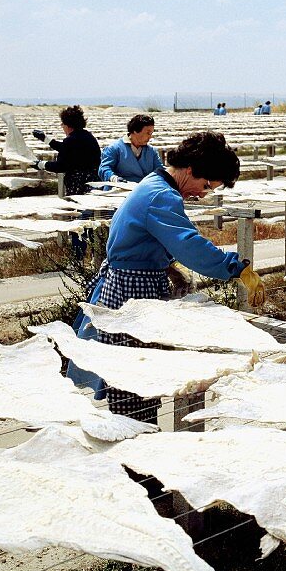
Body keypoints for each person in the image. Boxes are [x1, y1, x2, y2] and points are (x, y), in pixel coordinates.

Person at [70, 131, 267, 423]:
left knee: (141, 383)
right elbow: (189, 245)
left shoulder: (154, 184)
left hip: (129, 287)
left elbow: (144, 242)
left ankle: (138, 451)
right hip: (131, 296)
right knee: (134, 383)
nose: (203, 193)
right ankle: (136, 458)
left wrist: (169, 269)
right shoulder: (162, 196)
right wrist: (235, 268)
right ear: (190, 170)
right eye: (205, 185)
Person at [32, 105, 100, 196]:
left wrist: (41, 164)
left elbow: (61, 166)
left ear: (68, 126)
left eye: (62, 124)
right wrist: (45, 139)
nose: (62, 126)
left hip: (78, 183)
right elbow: (67, 149)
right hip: (93, 181)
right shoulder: (88, 136)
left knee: (78, 208)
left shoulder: (71, 140)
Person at [99, 113, 163, 183]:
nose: (150, 137)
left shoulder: (152, 151)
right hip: (119, 188)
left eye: (151, 133)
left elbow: (160, 170)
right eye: (148, 133)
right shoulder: (114, 148)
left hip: (144, 189)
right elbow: (104, 168)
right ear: (135, 131)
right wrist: (114, 178)